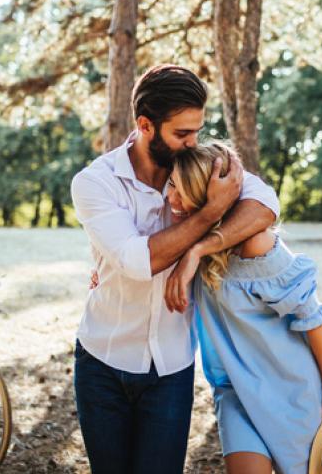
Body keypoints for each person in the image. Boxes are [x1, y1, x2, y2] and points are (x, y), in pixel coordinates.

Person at [69, 64, 281, 474]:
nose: (192, 143)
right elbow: (138, 261)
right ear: (145, 125)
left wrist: (197, 250)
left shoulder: (199, 164)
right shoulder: (95, 182)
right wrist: (210, 214)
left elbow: (265, 205)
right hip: (103, 363)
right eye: (182, 133)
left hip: (172, 368)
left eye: (197, 131)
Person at [164, 141, 322, 474]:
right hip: (234, 393)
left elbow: (312, 319)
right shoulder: (188, 235)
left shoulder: (255, 244)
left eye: (179, 190)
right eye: (170, 184)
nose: (170, 198)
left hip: (289, 391)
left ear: (205, 199)